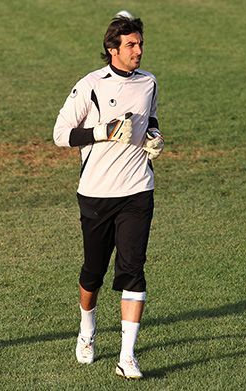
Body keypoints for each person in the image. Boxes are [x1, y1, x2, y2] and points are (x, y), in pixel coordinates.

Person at [53, 12, 164, 379]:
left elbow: (151, 120)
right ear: (112, 49)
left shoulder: (149, 83)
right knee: (93, 272)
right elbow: (61, 135)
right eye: (131, 45)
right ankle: (87, 329)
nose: (139, 51)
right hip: (97, 193)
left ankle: (127, 356)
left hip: (137, 190)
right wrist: (102, 131)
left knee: (133, 270)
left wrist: (154, 139)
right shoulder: (90, 86)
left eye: (141, 44)